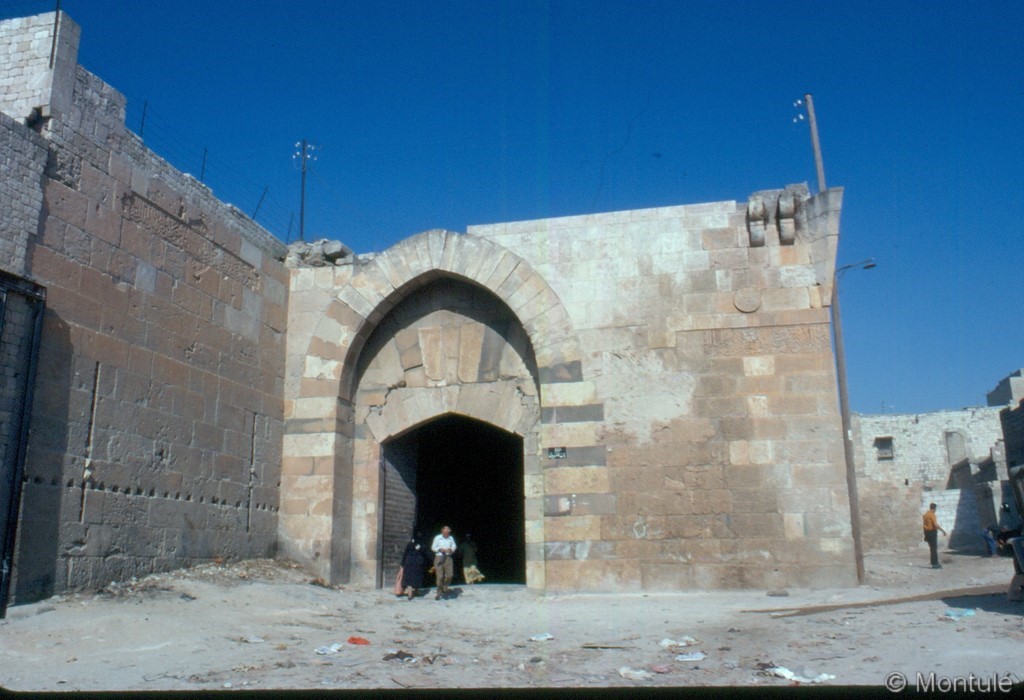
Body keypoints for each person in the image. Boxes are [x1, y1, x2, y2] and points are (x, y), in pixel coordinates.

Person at [431, 525, 456, 600]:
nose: (447, 534)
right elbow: (433, 547)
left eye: (448, 532)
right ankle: (439, 592)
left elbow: (454, 546)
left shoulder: (451, 538)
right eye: (445, 532)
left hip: (448, 557)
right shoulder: (437, 537)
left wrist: (451, 549)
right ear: (442, 531)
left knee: (450, 575)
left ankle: (444, 587)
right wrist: (439, 549)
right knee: (440, 576)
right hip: (439, 557)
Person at [400, 534, 428, 600]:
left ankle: (410, 594)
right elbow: (425, 553)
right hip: (418, 563)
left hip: (409, 562)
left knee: (409, 579)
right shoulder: (422, 545)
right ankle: (416, 591)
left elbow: (405, 553)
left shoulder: (410, 544)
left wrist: (402, 564)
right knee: (417, 578)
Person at [922, 503, 947, 569]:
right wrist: (943, 530)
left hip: (927, 532)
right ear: (934, 508)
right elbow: (935, 525)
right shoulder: (932, 515)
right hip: (932, 532)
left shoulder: (925, 515)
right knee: (934, 549)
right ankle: (935, 563)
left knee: (931, 548)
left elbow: (924, 525)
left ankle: (932, 561)